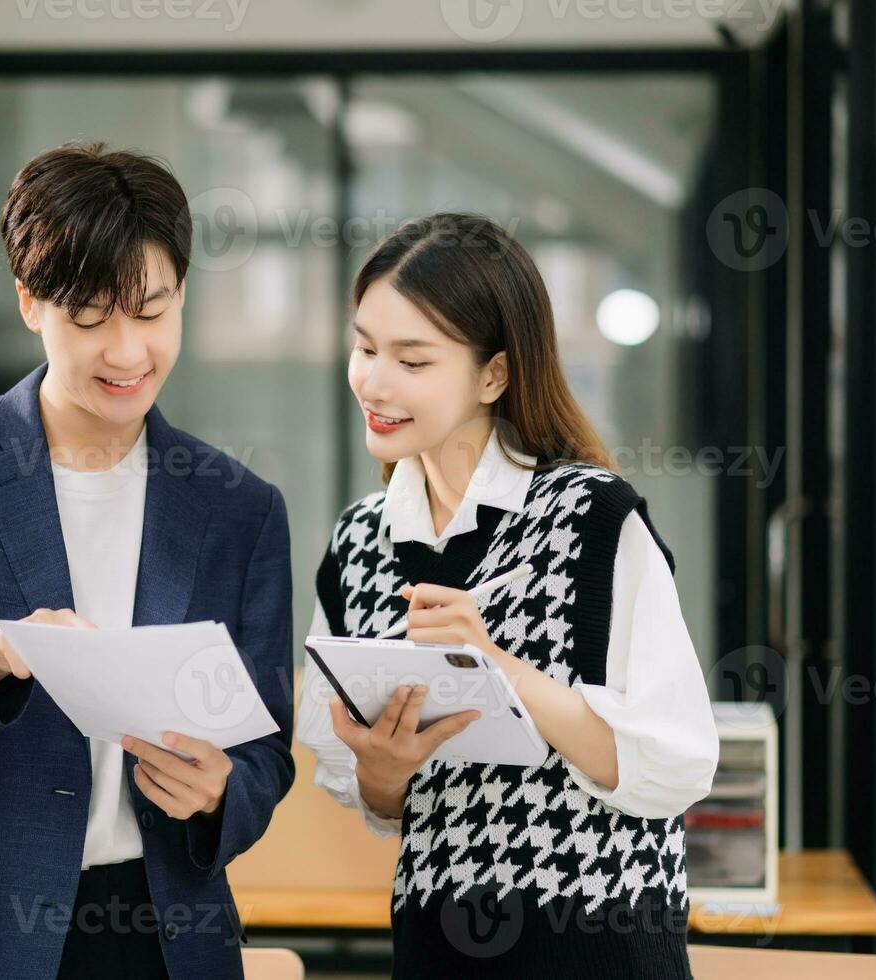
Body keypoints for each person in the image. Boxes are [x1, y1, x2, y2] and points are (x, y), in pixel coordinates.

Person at [0, 141, 295, 980]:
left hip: (165, 943)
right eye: (91, 316)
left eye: (151, 312)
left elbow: (266, 752)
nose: (127, 352)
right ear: (31, 302)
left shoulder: (239, 508)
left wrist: (221, 791)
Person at [298, 212, 719, 978]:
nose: (374, 382)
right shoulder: (359, 541)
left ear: (494, 374)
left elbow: (672, 761)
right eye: (364, 349)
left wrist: (495, 666)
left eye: (413, 361)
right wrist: (384, 771)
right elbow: (374, 799)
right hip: (437, 944)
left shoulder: (592, 517)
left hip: (597, 947)